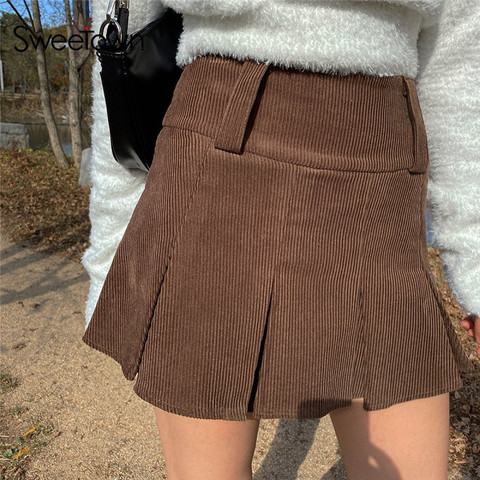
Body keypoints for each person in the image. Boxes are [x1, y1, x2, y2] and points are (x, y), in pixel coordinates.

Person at [82, 1, 480, 478]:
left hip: (383, 175)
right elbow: (122, 43)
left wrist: (475, 269)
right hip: (217, 154)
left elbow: (459, 70)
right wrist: (112, 252)